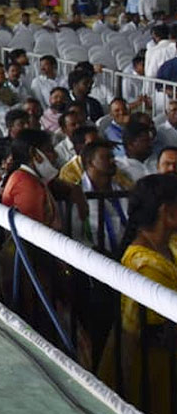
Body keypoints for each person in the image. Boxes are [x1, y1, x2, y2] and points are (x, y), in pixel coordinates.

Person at [97, 174, 177, 414]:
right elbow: (160, 333)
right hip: (153, 370)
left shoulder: (169, 243)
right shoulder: (143, 264)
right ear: (167, 211)